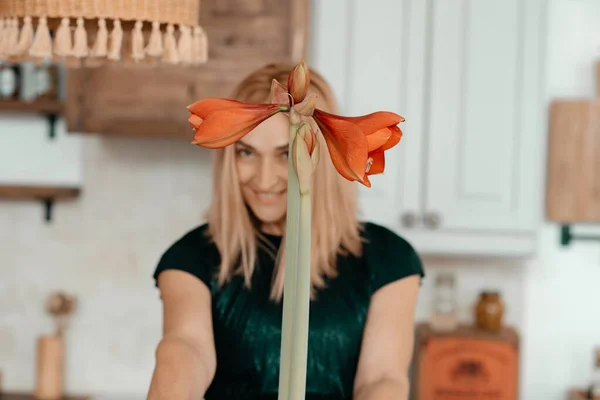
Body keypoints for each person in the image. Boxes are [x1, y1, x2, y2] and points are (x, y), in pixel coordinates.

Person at [147, 63, 425, 400]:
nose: (264, 180)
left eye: (284, 154)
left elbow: (382, 379)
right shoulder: (192, 255)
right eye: (246, 152)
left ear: (319, 155)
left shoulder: (389, 258)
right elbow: (186, 347)